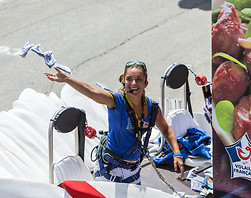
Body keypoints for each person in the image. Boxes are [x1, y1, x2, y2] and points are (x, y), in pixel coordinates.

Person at [44, 61, 184, 184]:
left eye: (139, 79)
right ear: (124, 82)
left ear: (146, 83)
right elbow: (91, 92)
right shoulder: (116, 101)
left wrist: (176, 153)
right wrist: (67, 79)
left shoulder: (152, 108)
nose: (134, 83)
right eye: (129, 79)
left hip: (133, 171)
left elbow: (166, 130)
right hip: (110, 171)